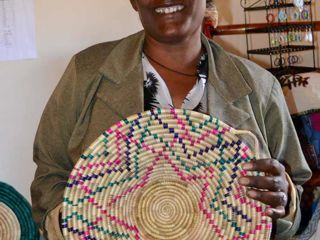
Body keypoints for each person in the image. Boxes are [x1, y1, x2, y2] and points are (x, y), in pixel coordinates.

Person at [31, 0, 311, 239]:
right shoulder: (87, 73)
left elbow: (295, 191)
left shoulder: (261, 87)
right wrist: (74, 223)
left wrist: (285, 200)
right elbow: (50, 175)